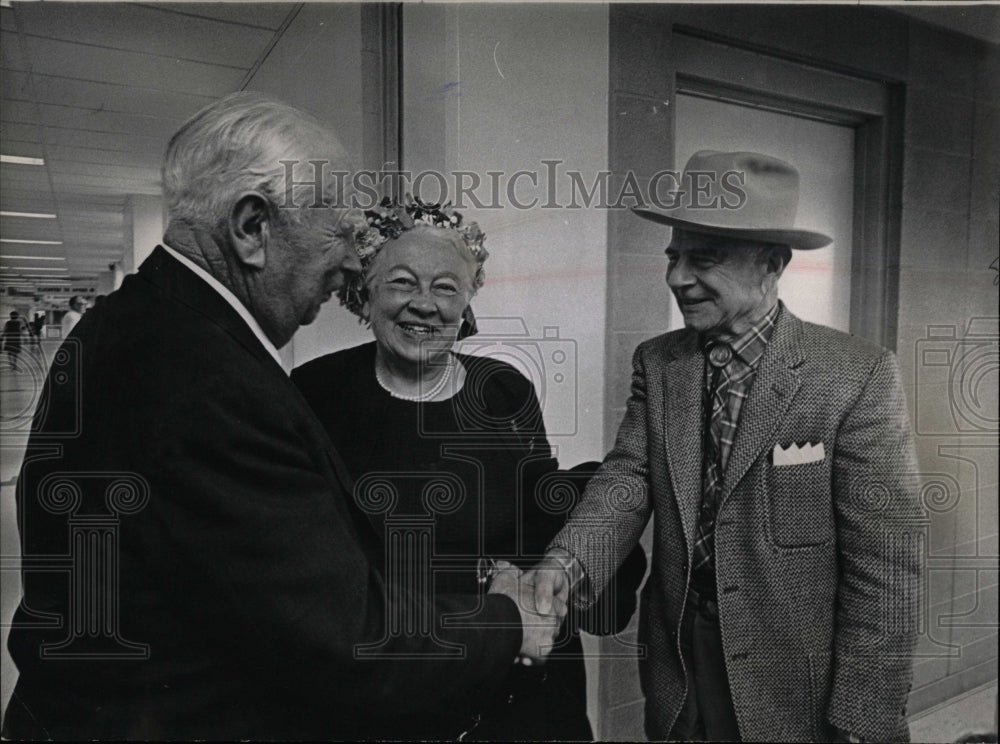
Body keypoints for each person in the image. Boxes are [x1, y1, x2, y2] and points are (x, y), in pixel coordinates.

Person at [3, 93, 560, 741]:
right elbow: (346, 639)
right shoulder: (208, 377)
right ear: (251, 228)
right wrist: (512, 622)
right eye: (340, 235)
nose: (353, 263)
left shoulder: (145, 325)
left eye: (446, 288)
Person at [529, 151, 923, 743]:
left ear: (772, 264)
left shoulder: (856, 374)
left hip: (798, 675)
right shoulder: (659, 363)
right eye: (674, 256)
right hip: (681, 658)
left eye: (703, 258)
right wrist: (567, 563)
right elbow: (628, 478)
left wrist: (863, 713)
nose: (677, 277)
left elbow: (887, 564)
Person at [291, 197, 647, 740]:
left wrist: (542, 578)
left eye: (445, 288)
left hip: (501, 674)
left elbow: (537, 513)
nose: (424, 305)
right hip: (386, 674)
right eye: (402, 283)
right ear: (365, 291)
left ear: (469, 299)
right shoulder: (316, 392)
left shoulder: (504, 388)